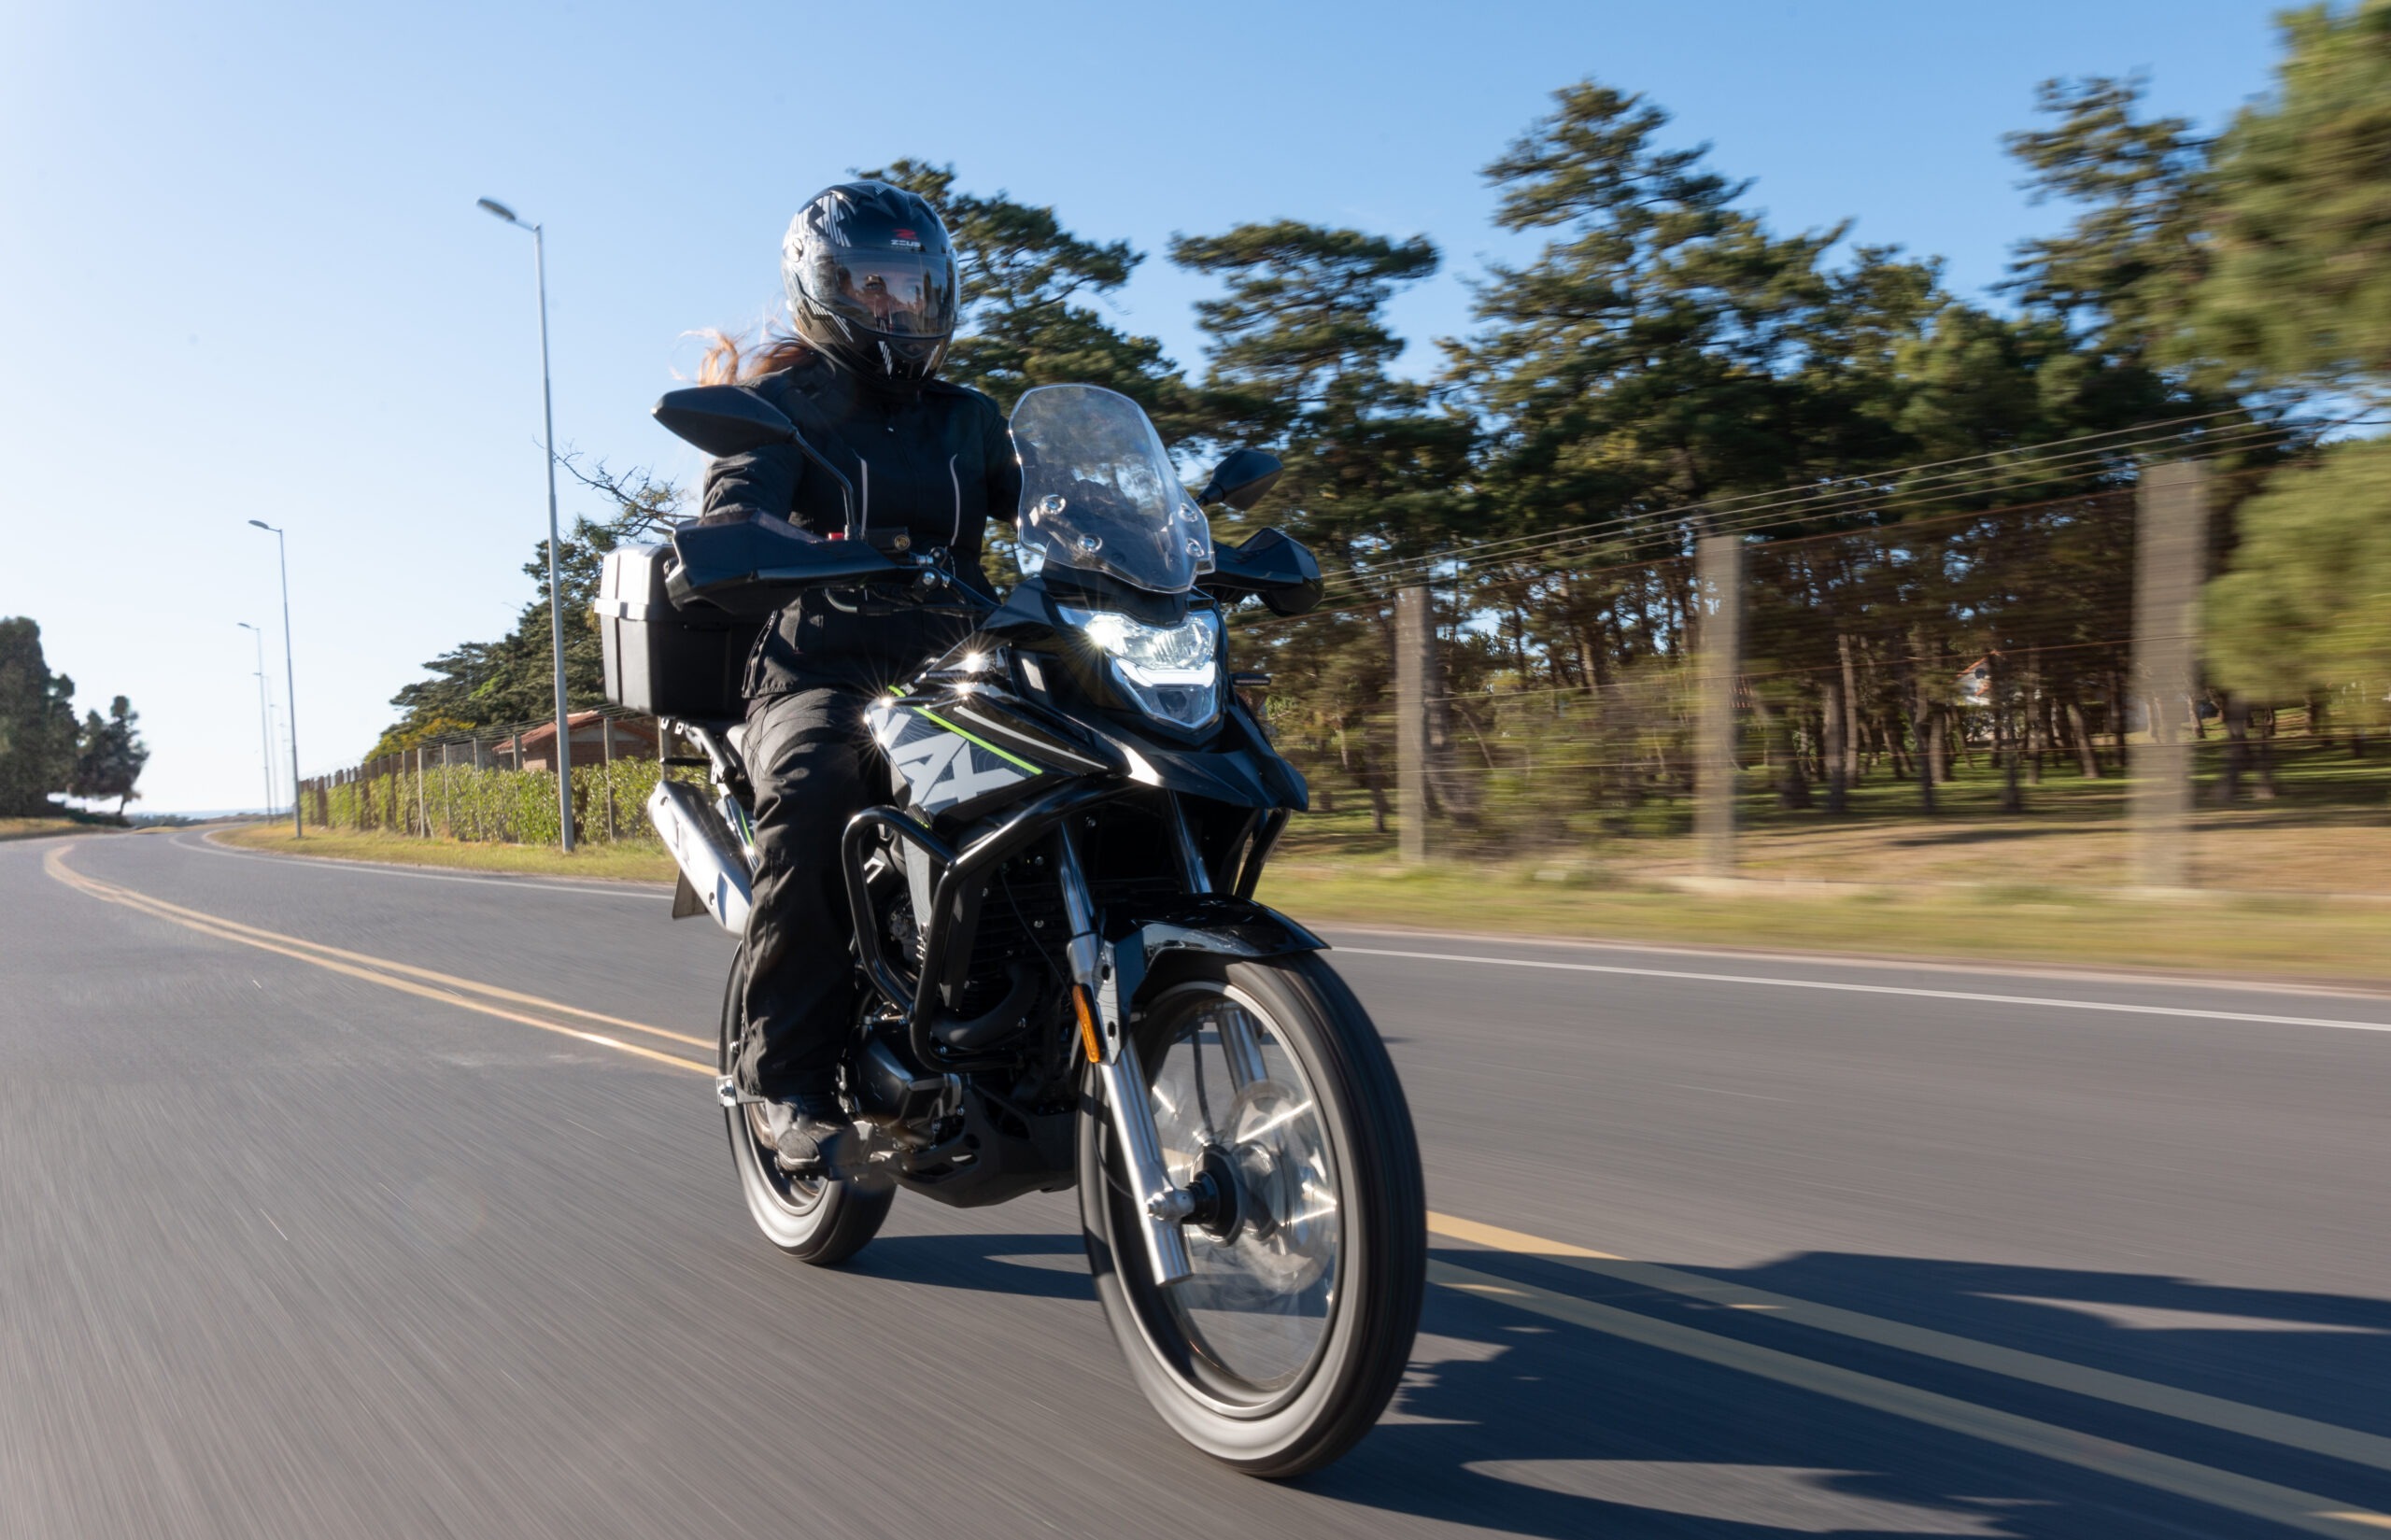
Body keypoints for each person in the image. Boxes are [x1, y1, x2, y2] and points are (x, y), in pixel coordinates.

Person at [696, 181, 1020, 1174]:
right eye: (874, 284)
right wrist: (744, 536)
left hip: (960, 673)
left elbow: (1055, 501)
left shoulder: (971, 418)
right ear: (824, 289)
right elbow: (735, 502)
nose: (896, 305)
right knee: (818, 784)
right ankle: (783, 1080)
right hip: (820, 668)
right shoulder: (776, 411)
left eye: (913, 286)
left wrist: (1151, 529)